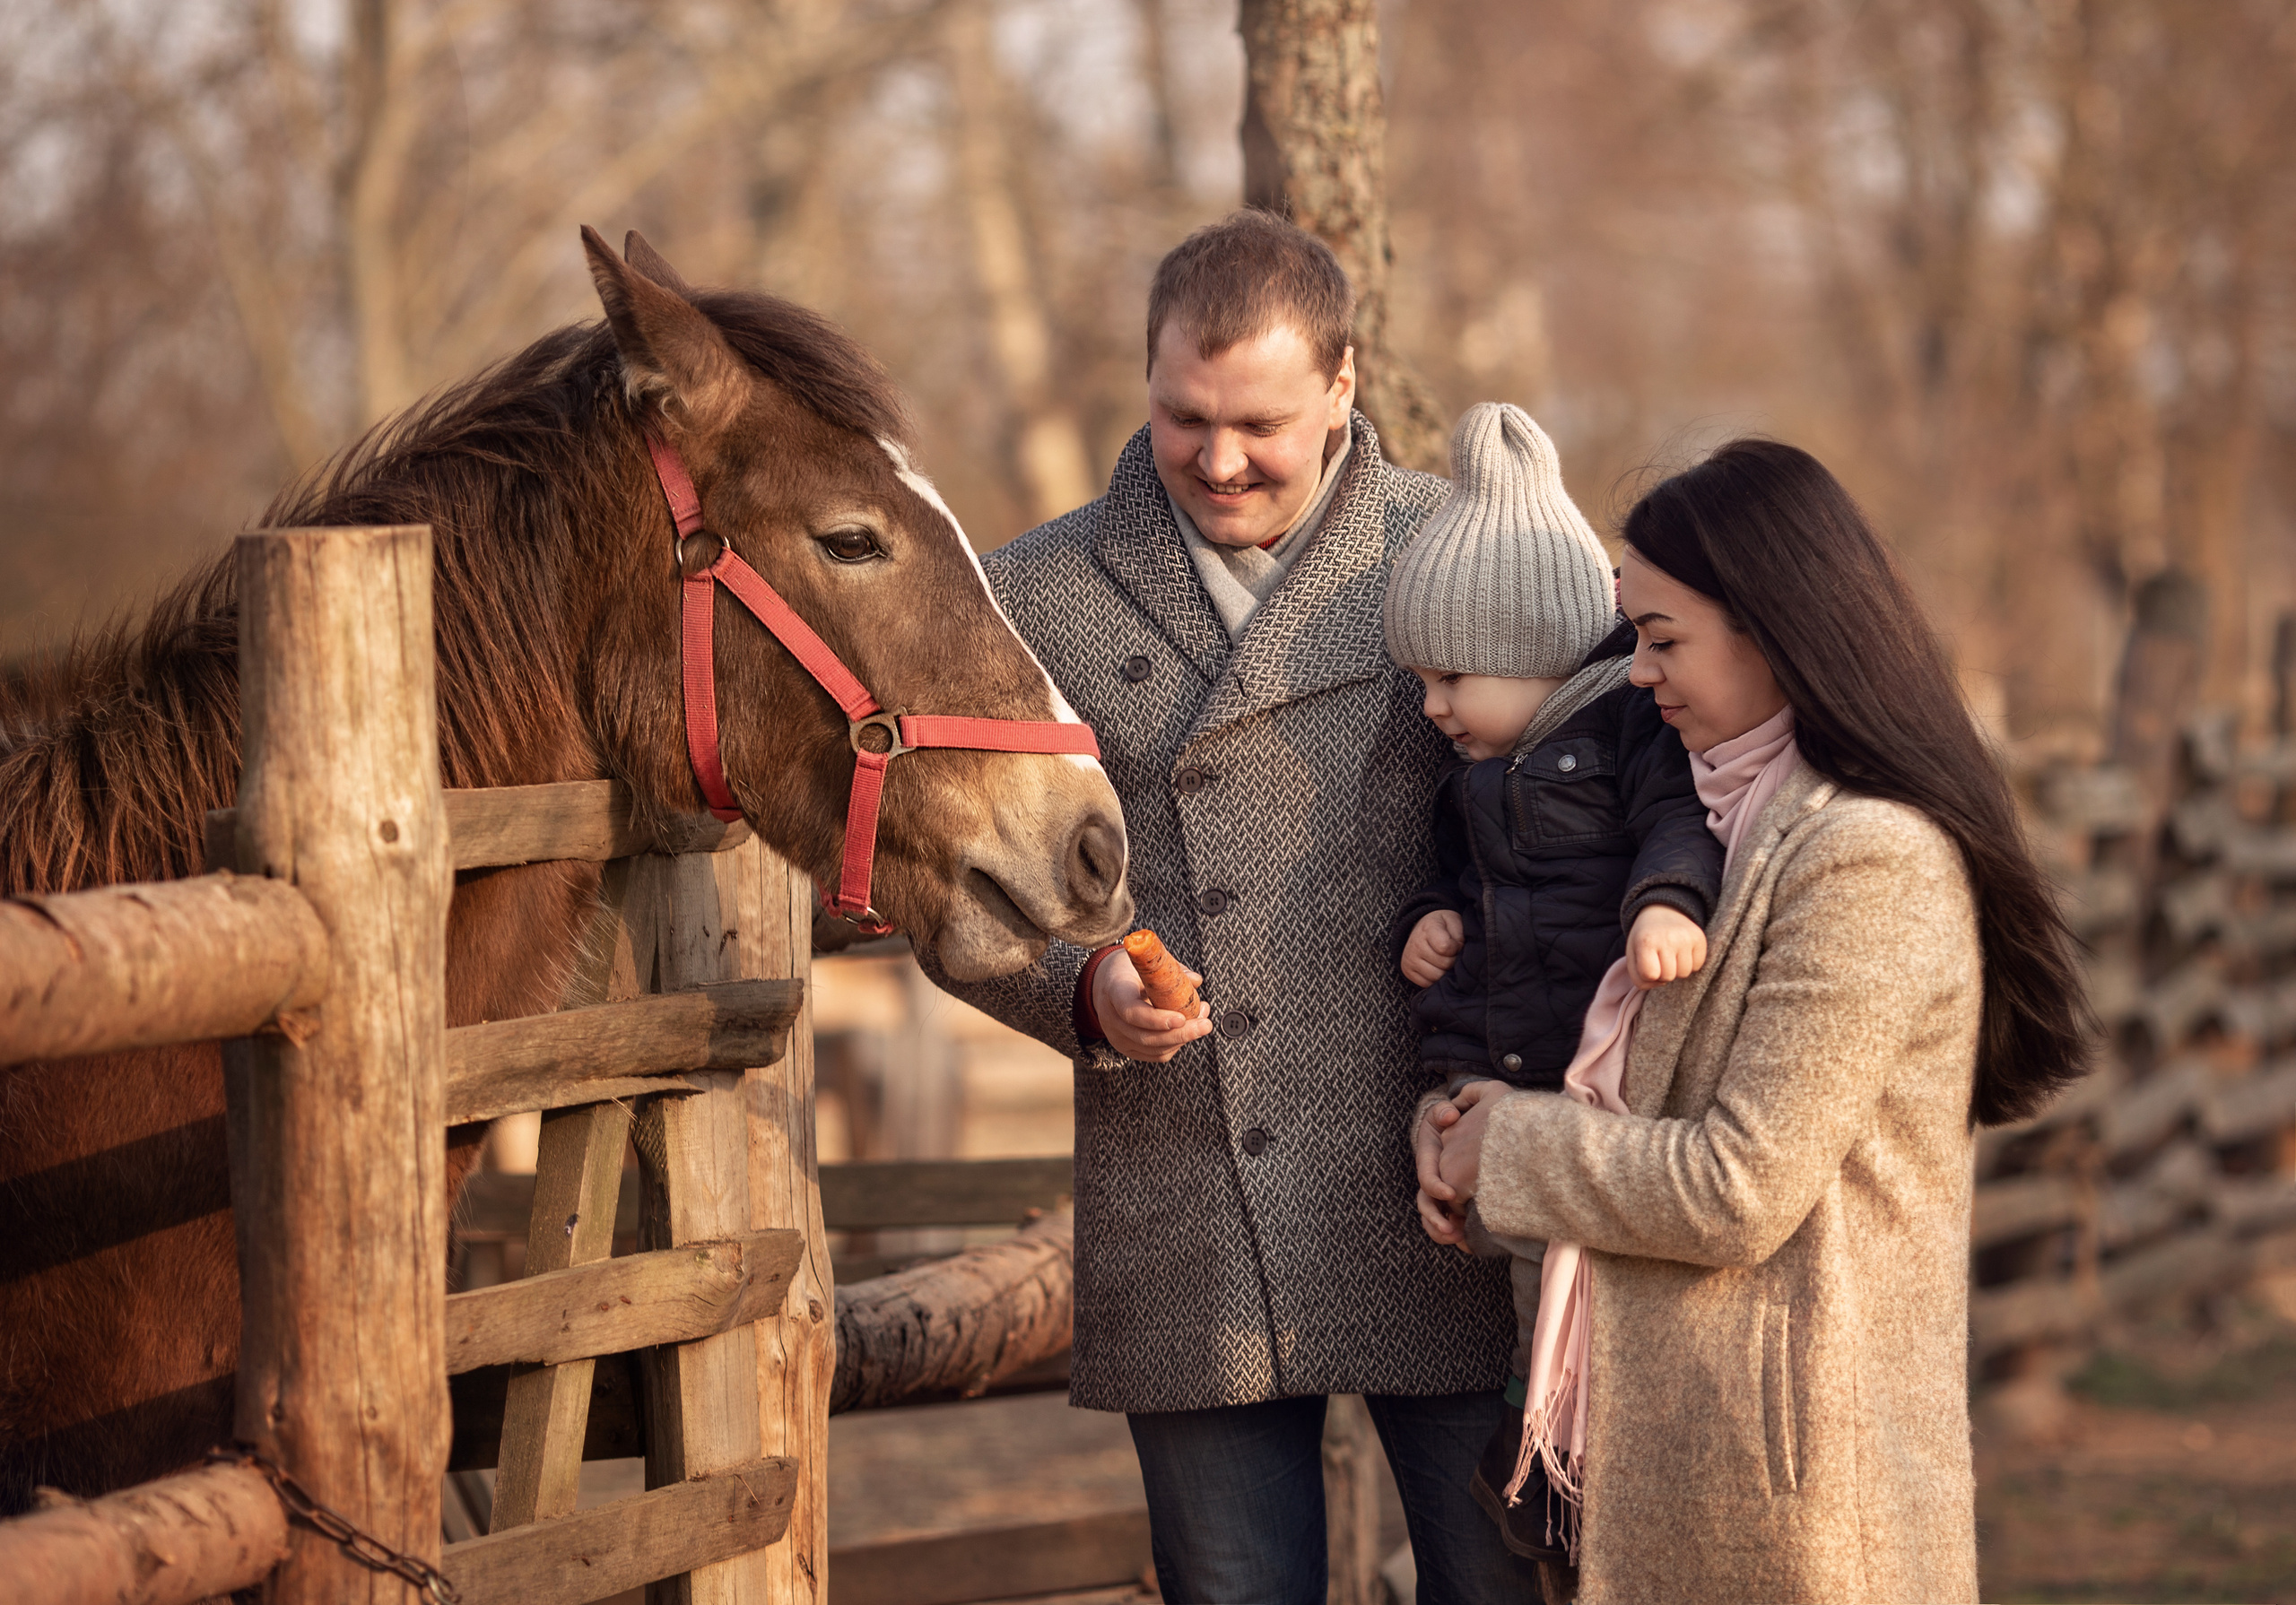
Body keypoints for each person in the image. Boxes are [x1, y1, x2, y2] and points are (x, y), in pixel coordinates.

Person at [922, 210, 1542, 1603]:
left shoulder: (1454, 554)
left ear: (1342, 384)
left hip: (1444, 1177)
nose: (1216, 459)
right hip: (1185, 1199)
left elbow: (1581, 811)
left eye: (1258, 422)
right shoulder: (1032, 594)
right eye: (1182, 416)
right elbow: (956, 884)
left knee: (1503, 1584)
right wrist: (1082, 992)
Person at [1415, 438, 2092, 1604]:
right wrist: (1477, 1119)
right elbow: (1637, 1104)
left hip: (1800, 1489)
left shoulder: (1865, 856)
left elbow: (1738, 1184)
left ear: (1775, 630)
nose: (1636, 674)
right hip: (1691, 1451)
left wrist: (1510, 1146)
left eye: (1662, 639)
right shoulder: (1714, 825)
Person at [1381, 402, 1723, 1561]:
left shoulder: (1630, 731)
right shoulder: (1474, 772)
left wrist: (1666, 902)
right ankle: (1552, 1477)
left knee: (1588, 1313)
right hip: (1505, 1073)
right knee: (1532, 1295)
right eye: (1421, 680)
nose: (1433, 705)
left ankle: (1575, 1486)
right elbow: (1455, 882)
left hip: (1601, 1086)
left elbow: (1678, 823)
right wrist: (1429, 919)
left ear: (1534, 651)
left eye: (1452, 676)